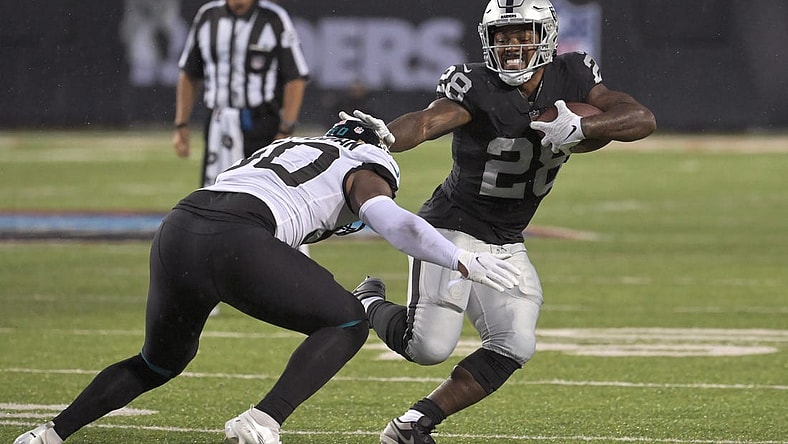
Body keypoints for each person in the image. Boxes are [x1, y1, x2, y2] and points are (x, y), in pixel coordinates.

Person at [12, 114, 521, 444]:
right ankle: (262, 419)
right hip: (237, 239)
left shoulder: (289, 148)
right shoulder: (365, 168)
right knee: (346, 322)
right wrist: (461, 260)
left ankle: (50, 435)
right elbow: (397, 224)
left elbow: (283, 220)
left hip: (179, 228)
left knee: (159, 360)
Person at [349, 1, 657, 443]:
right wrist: (383, 136)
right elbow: (428, 121)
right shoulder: (475, 84)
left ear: (546, 34)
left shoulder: (573, 73)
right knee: (427, 347)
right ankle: (367, 303)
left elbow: (641, 118)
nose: (511, 45)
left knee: (514, 345)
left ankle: (413, 425)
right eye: (502, 35)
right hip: (451, 228)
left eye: (522, 33)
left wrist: (585, 129)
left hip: (506, 238)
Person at [172, 0, 309, 189]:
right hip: (217, 122)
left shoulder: (273, 18)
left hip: (260, 123)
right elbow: (189, 72)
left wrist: (286, 129)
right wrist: (181, 124)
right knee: (213, 191)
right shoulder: (208, 16)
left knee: (261, 192)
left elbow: (295, 77)